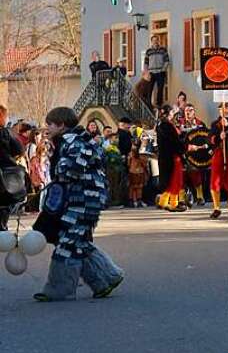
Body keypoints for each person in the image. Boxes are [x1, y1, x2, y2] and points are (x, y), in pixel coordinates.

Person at [33, 106, 123, 302]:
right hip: (83, 198)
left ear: (61, 125)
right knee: (76, 240)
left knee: (67, 242)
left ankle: (60, 289)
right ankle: (107, 278)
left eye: (50, 124)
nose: (47, 127)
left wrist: (59, 168)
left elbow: (74, 167)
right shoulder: (75, 139)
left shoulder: (73, 141)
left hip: (83, 200)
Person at [156, 104, 187, 212]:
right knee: (174, 180)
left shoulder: (161, 125)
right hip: (172, 156)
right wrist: (185, 144)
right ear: (169, 113)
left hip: (165, 156)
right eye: (172, 112)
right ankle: (173, 203)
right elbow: (175, 141)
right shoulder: (167, 126)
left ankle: (164, 202)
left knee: (169, 180)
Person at [181, 104, 211, 206]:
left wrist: (204, 147)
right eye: (186, 110)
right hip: (183, 153)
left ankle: (200, 197)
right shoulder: (180, 124)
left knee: (196, 174)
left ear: (194, 112)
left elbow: (206, 137)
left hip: (197, 156)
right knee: (181, 175)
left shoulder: (200, 124)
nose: (188, 112)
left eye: (190, 110)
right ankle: (181, 199)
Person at [143, 35, 170, 110]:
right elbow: (146, 63)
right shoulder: (148, 51)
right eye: (153, 40)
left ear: (158, 41)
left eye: (156, 40)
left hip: (160, 72)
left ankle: (159, 104)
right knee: (149, 89)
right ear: (151, 42)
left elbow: (167, 60)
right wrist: (146, 72)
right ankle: (149, 104)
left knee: (160, 88)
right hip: (151, 72)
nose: (155, 42)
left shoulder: (163, 50)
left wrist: (163, 69)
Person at [127, 142, 149, 207]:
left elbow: (128, 164)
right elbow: (144, 164)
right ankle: (139, 200)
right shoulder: (141, 155)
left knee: (132, 187)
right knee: (139, 187)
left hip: (132, 171)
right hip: (140, 172)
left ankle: (133, 201)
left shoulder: (130, 154)